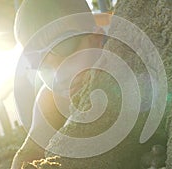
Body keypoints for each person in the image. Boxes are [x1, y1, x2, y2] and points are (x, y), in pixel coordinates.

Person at [11, 1, 104, 168]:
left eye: (64, 47)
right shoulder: (51, 99)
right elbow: (26, 156)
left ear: (97, 39)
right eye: (40, 64)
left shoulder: (122, 63)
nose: (59, 76)